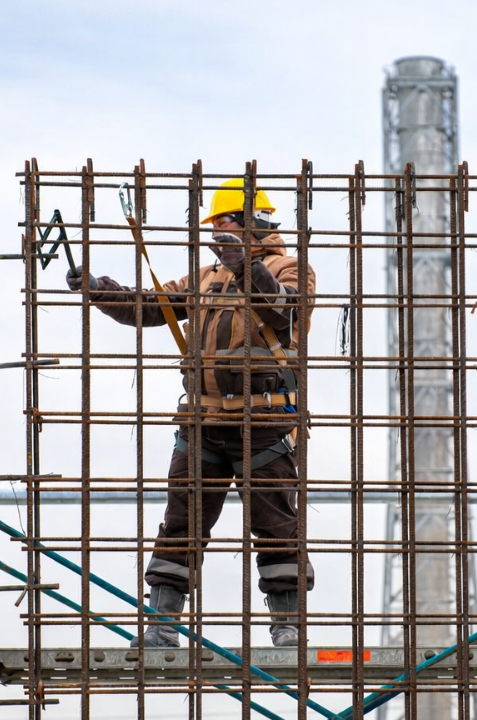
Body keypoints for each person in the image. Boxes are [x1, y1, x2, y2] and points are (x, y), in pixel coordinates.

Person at [66, 178, 316, 648]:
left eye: (224, 225)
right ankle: (162, 625)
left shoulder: (292, 268)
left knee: (276, 526)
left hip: (264, 427)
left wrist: (249, 270)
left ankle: (288, 627)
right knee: (181, 525)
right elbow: (152, 307)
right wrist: (101, 290)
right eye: (216, 228)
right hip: (202, 425)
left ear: (251, 224)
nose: (217, 235)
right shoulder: (204, 278)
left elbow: (285, 312)